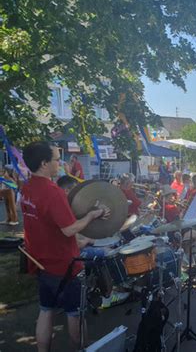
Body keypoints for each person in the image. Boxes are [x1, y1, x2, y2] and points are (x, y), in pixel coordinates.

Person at [20, 141, 109, 352]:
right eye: (56, 159)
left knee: (46, 310)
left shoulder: (26, 187)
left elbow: (43, 221)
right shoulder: (52, 191)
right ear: (44, 163)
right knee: (75, 314)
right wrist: (92, 214)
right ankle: (82, 348)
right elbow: (69, 229)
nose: (60, 163)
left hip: (40, 262)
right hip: (64, 265)